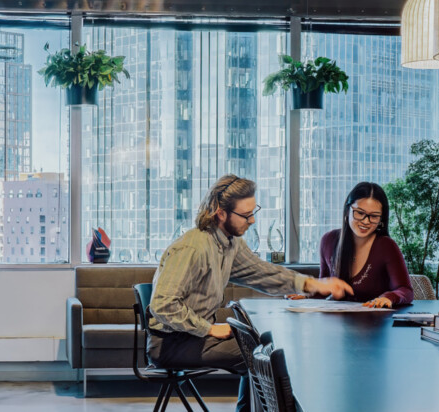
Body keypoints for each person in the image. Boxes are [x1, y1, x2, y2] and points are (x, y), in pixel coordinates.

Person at [147, 174, 354, 412]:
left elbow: (263, 273)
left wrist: (312, 285)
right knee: (260, 354)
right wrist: (209, 328)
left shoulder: (229, 243)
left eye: (253, 211)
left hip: (190, 337)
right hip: (170, 343)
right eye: (246, 215)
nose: (253, 220)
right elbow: (162, 304)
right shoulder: (193, 248)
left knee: (261, 344)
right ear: (220, 213)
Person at [303, 181, 415, 308]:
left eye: (374, 216)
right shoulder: (328, 240)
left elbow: (406, 290)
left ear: (381, 219)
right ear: (347, 211)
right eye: (360, 213)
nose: (366, 221)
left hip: (374, 323)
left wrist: (388, 297)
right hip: (336, 322)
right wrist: (308, 295)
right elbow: (325, 287)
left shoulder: (386, 246)